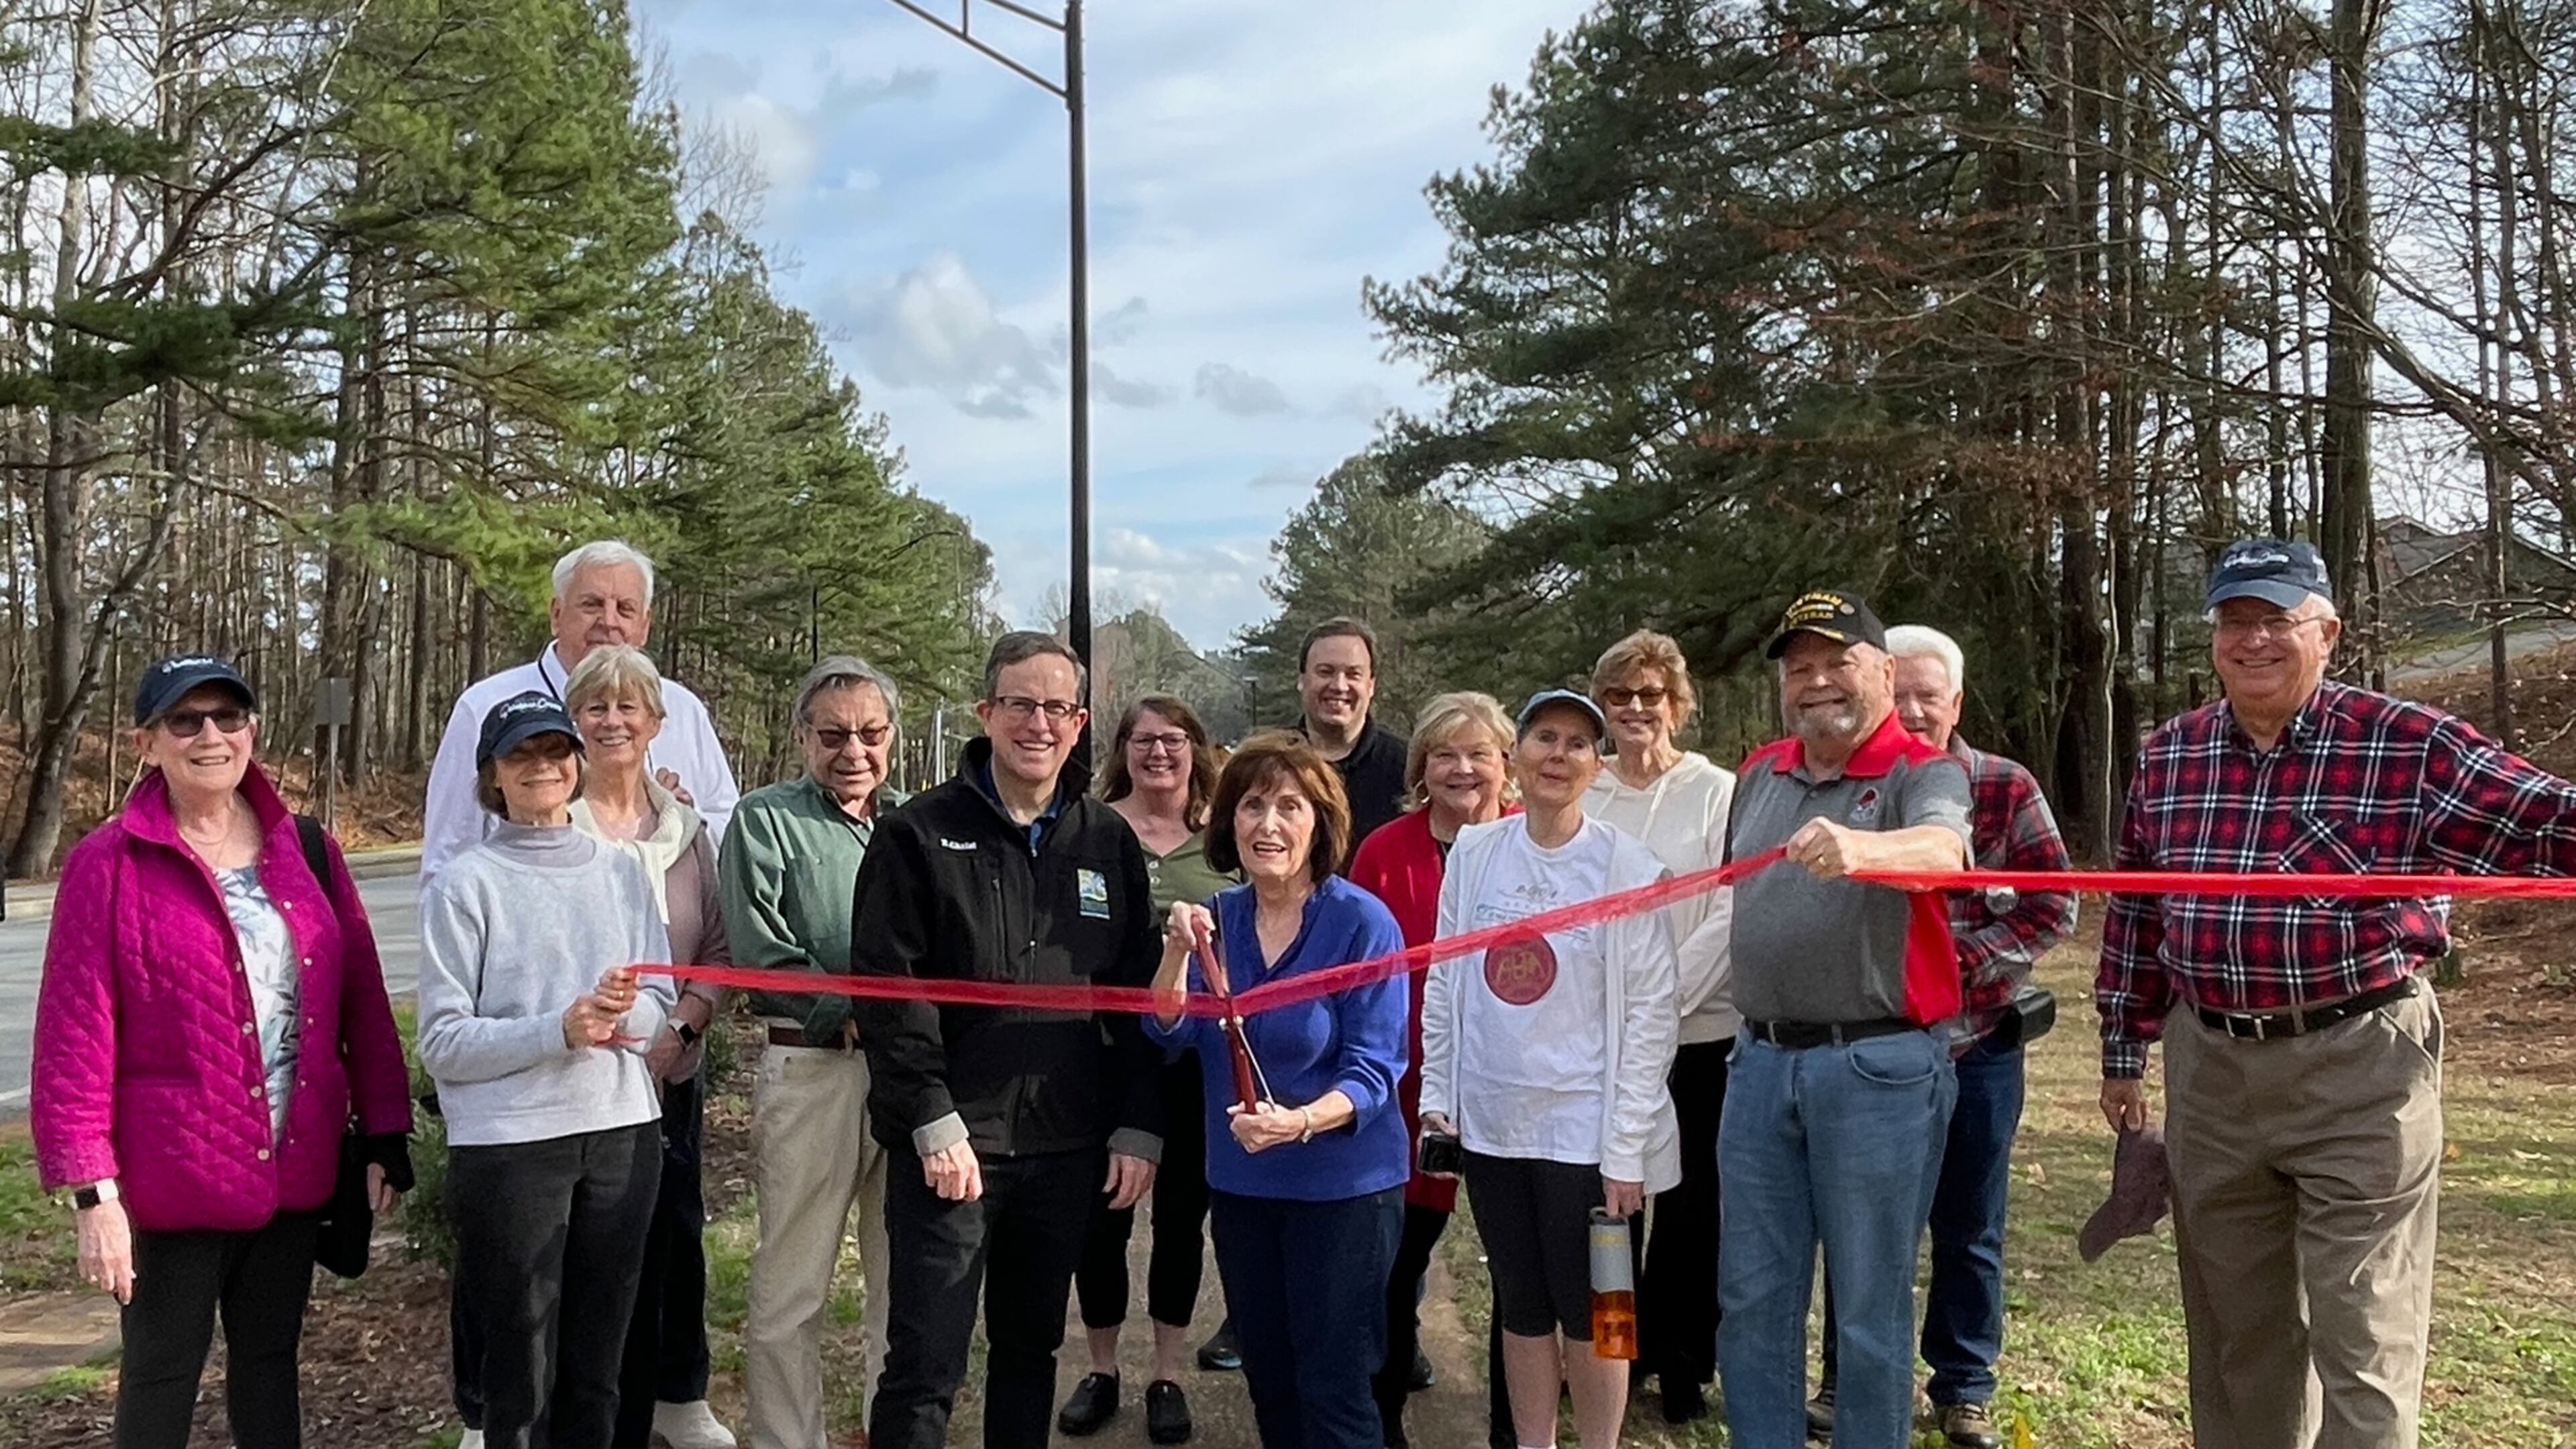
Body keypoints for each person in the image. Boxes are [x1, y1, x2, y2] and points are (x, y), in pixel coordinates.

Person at [2098, 539, 2576, 1449]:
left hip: (2361, 1067)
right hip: (2213, 1070)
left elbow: (2549, 822)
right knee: (2242, 1340)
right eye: (2235, 622)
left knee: (2366, 1333)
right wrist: (2125, 1047)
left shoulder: (2410, 746)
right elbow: (2135, 912)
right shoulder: (2170, 756)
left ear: (2326, 631)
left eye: (2276, 619)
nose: (2253, 641)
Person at [33, 653, 413, 1449]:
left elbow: (363, 1003)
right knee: (161, 1376)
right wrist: (93, 1196)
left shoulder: (308, 851)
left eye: (228, 717)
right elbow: (74, 1036)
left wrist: (385, 1130)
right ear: (146, 742)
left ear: (253, 732)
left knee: (270, 1366)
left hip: (293, 1170)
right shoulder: (105, 865)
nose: (211, 735)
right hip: (170, 1179)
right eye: (185, 720)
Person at [852, 632, 1164, 1449]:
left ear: (1080, 722)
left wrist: (1137, 1123)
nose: (1038, 723)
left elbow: (1135, 1000)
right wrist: (931, 1116)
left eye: (1056, 707)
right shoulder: (917, 834)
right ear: (986, 713)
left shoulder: (1107, 841)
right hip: (952, 1150)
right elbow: (892, 993)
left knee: (1030, 1351)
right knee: (925, 1367)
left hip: (1066, 1148)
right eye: (1019, 704)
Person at [1715, 590, 1973, 1449]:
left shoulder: (1922, 770)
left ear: (1885, 674)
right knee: (1753, 1295)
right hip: (1756, 1065)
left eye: (1839, 662)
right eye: (1801, 668)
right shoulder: (1759, 771)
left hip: (1876, 1070)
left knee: (1867, 1303)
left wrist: (1865, 850)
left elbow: (1944, 854)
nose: (1818, 681)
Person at [1808, 625, 2078, 1448]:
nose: (1918, 710)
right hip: (1872, 1049)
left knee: (1971, 1223)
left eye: (1935, 695)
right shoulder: (1850, 786)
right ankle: (1845, 1381)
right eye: (1905, 693)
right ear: (1882, 689)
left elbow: (2054, 904)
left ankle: (1964, 1386)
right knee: (1863, 1224)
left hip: (1978, 1042)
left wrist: (1957, 965)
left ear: (1956, 702)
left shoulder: (2004, 785)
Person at [1421, 688, 1682, 1449]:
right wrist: (1442, 1101)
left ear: (1596, 766)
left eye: (1576, 743)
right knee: (1524, 1306)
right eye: (1544, 738)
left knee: (1600, 1314)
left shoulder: (1627, 866)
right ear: (1517, 756)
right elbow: (1446, 981)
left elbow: (1650, 1017)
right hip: (1497, 1127)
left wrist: (1626, 1148)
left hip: (1587, 1136)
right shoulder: (1475, 855)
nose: (1557, 756)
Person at [417, 692, 678, 1449]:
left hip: (623, 1135)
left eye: (555, 751)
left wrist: (625, 1017)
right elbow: (443, 1042)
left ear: (578, 764)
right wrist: (557, 1029)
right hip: (510, 1149)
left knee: (601, 1364)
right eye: (521, 754)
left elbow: (658, 1000)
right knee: (521, 1370)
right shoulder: (465, 883)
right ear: (491, 775)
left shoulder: (622, 870)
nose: (542, 767)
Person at [1146, 732, 1411, 1449]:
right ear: (1229, 821)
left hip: (1344, 1192)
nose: (1269, 824)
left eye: (1290, 807)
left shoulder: (1361, 922)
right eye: (1253, 805)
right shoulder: (1220, 922)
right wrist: (1175, 952)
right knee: (1270, 1379)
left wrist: (1299, 1122)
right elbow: (1168, 1032)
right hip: (1244, 1189)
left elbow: (1376, 1070)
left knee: (1334, 1386)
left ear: (1320, 823)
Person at [726, 656, 910, 1449]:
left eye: (870, 734)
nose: (854, 752)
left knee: (903, 1285)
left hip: (908, 1078)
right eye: (833, 735)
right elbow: (762, 954)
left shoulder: (916, 825)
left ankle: (892, 1430)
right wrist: (869, 1003)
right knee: (791, 1287)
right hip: (810, 1070)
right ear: (802, 736)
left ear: (893, 739)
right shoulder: (764, 821)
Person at [561, 647, 736, 1449]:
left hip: (668, 1075)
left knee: (662, 1247)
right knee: (574, 1267)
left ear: (658, 725)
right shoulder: (550, 825)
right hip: (570, 1082)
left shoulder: (685, 830)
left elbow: (720, 950)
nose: (613, 722)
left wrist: (684, 1031)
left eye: (630, 708)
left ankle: (655, 1412)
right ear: (575, 720)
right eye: (596, 707)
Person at [1059, 696, 1240, 1446]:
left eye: (1173, 740)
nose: (1158, 753)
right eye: (1142, 741)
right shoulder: (1092, 830)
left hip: (1196, 1062)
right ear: (1121, 751)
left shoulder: (1224, 838)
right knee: (1102, 1224)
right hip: (1107, 1055)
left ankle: (1166, 1372)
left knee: (1179, 1225)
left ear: (1196, 748)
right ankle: (1102, 1369)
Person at [1348, 691, 1518, 1449]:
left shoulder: (1532, 842)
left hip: (1514, 1088)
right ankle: (1382, 1417)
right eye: (1445, 754)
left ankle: (1520, 1428)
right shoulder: (1384, 850)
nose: (1462, 769)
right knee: (1396, 1262)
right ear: (1421, 766)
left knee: (1520, 1274)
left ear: (1504, 765)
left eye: (1479, 753)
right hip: (1411, 1088)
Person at [1580, 629, 1737, 1427]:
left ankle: (1683, 1360)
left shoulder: (1717, 791)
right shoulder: (1584, 789)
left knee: (1691, 1208)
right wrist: (1620, 1020)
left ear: (1678, 704)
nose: (1636, 709)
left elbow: (1726, 909)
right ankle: (1617, 1351)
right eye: (1620, 696)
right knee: (1611, 1207)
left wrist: (1660, 1011)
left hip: (1698, 1034)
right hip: (1599, 1043)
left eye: (1652, 695)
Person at [422, 539, 739, 890]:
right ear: (556, 615)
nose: (608, 621)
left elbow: (729, 828)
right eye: (592, 605)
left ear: (645, 626)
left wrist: (684, 821)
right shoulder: (485, 707)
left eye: (625, 609)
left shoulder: (680, 708)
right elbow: (446, 861)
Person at [1292, 616, 1411, 863]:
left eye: (1353, 674)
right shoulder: (1267, 763)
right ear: (1302, 680)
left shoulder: (1407, 767)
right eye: (1325, 672)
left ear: (1371, 686)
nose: (1339, 685)